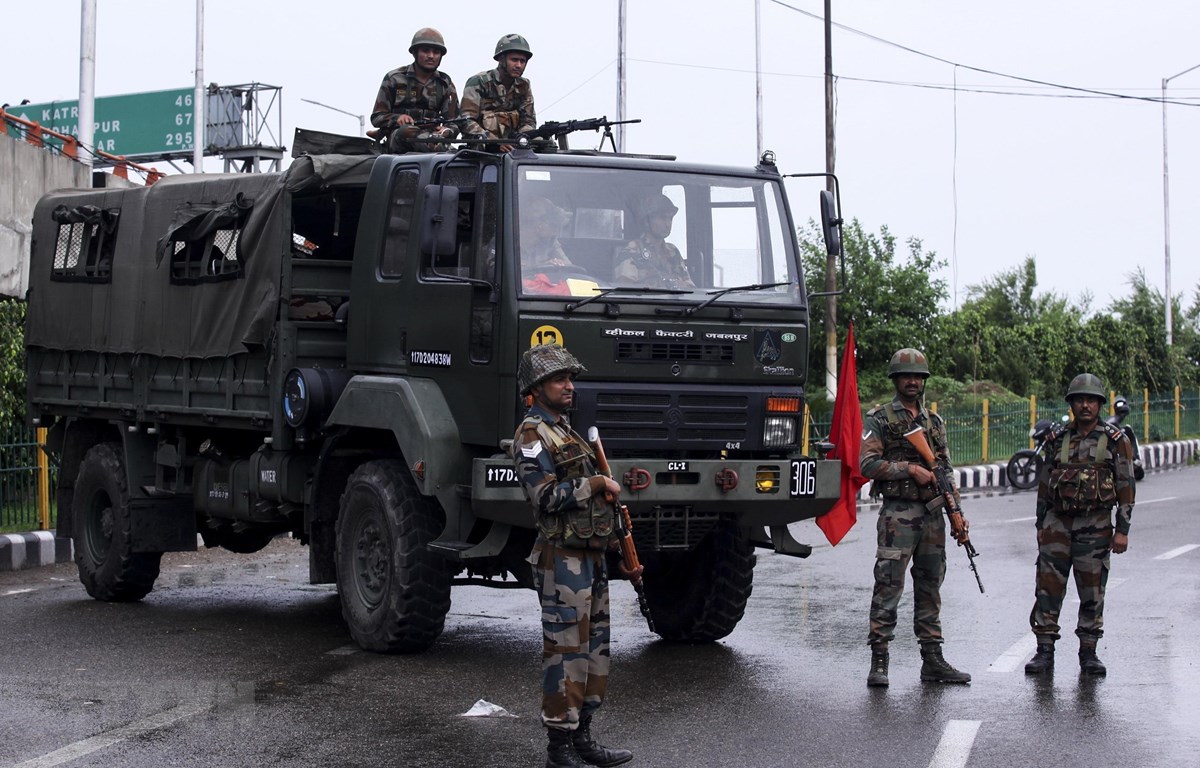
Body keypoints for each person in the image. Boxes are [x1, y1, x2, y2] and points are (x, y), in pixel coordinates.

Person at [512, 344, 639, 768]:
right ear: (537, 387)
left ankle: (583, 737)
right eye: (558, 379)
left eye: (570, 378)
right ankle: (559, 749)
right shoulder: (532, 434)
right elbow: (544, 495)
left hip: (589, 557)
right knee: (565, 651)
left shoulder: (567, 430)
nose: (569, 385)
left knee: (595, 648)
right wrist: (596, 484)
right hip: (560, 559)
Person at [860, 348, 972, 687]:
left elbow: (945, 470)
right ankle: (879, 661)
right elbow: (867, 465)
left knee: (930, 587)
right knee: (889, 584)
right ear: (895, 379)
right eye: (906, 376)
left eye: (918, 377)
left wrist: (957, 514)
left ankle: (933, 660)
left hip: (934, 514)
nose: (912, 381)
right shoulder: (880, 418)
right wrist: (909, 469)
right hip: (899, 513)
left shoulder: (934, 422)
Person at [1024, 373, 1135, 677]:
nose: (1085, 405)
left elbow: (1126, 486)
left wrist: (1122, 529)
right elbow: (1045, 483)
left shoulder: (1115, 441)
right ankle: (1044, 652)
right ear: (1071, 403)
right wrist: (1040, 524)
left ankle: (1089, 653)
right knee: (1047, 588)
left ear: (1100, 404)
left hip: (1095, 526)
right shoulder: (1057, 439)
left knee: (1092, 591)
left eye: (1091, 400)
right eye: (1079, 400)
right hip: (1057, 525)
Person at [370, 27, 459, 153]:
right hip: (400, 137)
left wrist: (447, 131)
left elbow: (454, 122)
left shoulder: (445, 83)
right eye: (425, 51)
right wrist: (397, 118)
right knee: (407, 131)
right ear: (414, 53)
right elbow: (377, 117)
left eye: (436, 52)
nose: (431, 56)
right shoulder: (395, 78)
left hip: (433, 137)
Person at [460, 34, 537, 152]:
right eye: (514, 60)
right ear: (501, 59)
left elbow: (528, 121)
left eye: (523, 61)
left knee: (543, 143)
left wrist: (520, 138)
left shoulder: (524, 86)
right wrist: (494, 142)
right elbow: (466, 121)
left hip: (514, 147)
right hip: (482, 148)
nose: (519, 65)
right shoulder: (479, 82)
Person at [613, 193, 695, 289]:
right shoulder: (633, 250)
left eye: (670, 218)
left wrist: (682, 285)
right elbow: (625, 289)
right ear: (647, 221)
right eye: (663, 218)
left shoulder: (673, 251)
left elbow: (690, 287)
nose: (668, 224)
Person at [521, 197, 572, 268]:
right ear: (539, 224)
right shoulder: (509, 244)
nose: (555, 232)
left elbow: (569, 266)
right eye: (554, 226)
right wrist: (543, 266)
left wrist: (559, 263)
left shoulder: (551, 241)